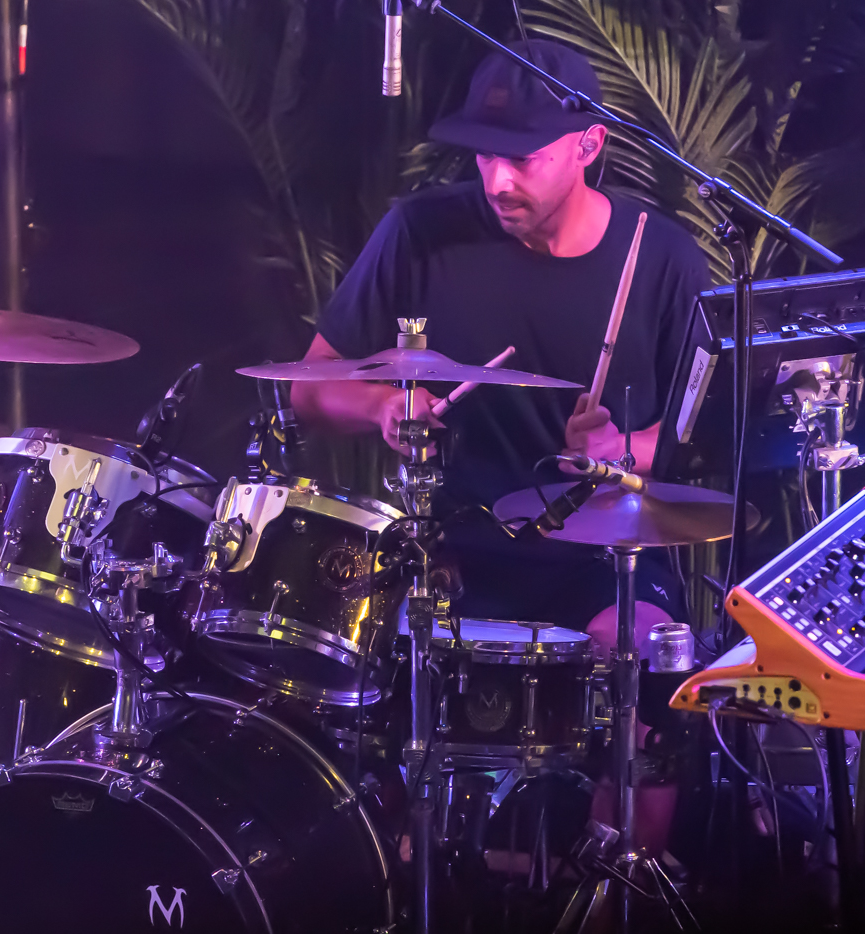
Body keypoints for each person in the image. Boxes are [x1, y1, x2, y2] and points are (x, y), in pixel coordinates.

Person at [292, 41, 710, 853]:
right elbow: (309, 388)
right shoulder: (421, 232)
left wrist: (626, 448)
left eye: (523, 158)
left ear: (589, 144)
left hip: (602, 555)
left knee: (644, 660)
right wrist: (383, 407)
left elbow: (706, 436)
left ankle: (614, 888)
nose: (497, 180)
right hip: (448, 550)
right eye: (485, 156)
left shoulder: (660, 257)